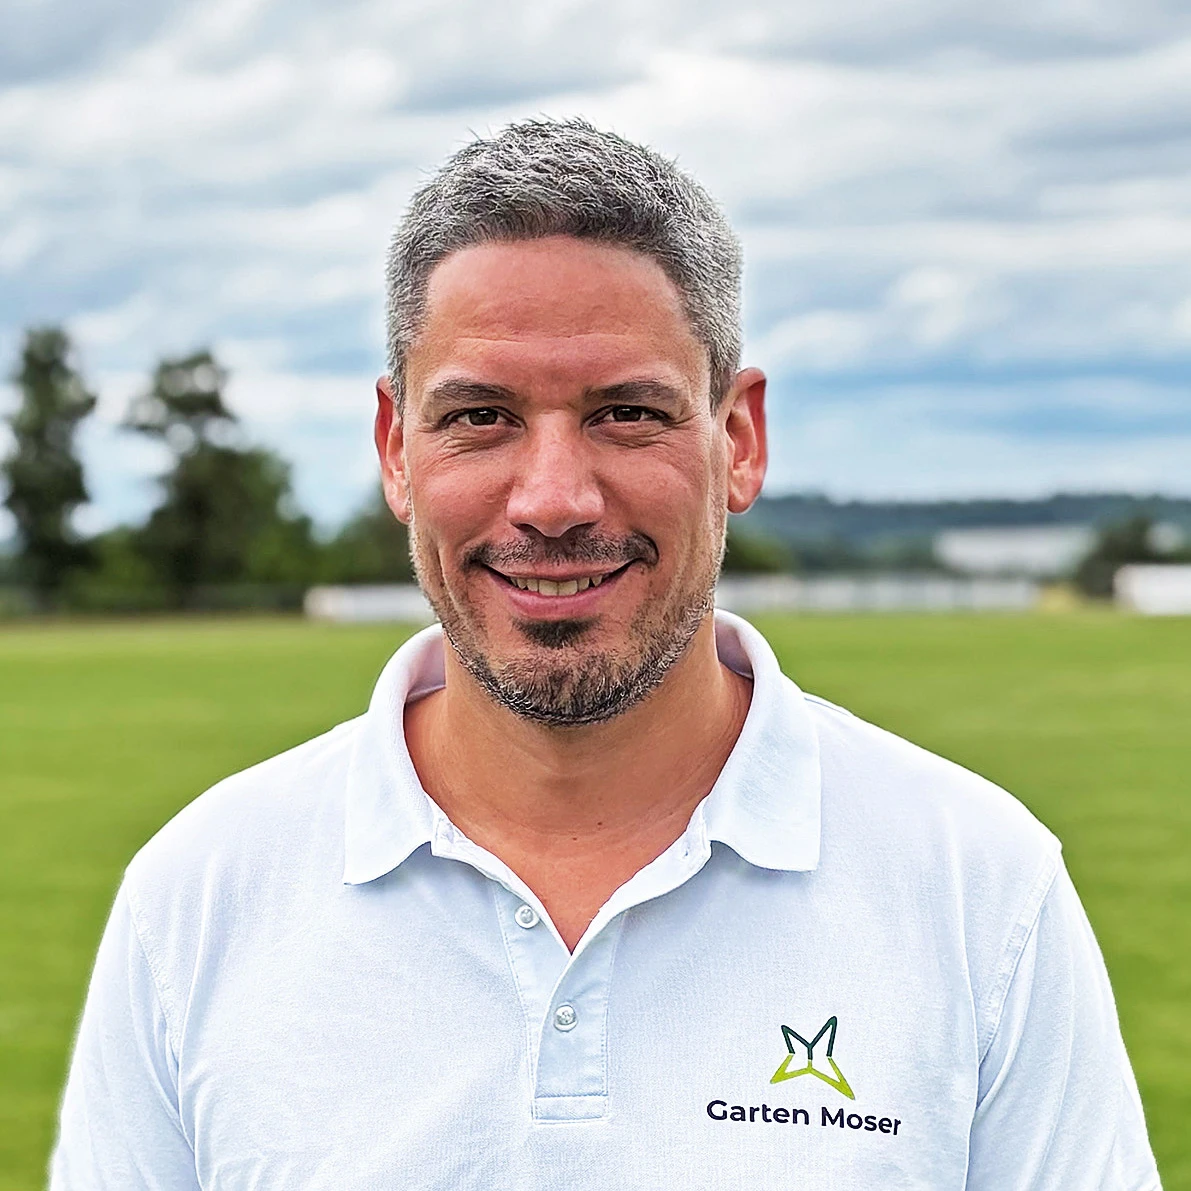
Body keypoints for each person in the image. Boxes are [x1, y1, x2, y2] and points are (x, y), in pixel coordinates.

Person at [52, 119, 1160, 1190]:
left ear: (738, 440)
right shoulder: (202, 894)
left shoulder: (976, 886)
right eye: (480, 416)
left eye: (626, 412)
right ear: (395, 449)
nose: (552, 500)